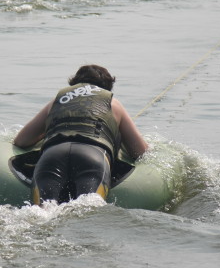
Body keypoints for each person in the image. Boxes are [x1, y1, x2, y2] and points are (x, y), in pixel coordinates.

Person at [13, 64, 148, 205]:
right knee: (88, 212)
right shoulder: (113, 103)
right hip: (93, 157)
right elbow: (140, 151)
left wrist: (50, 131)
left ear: (74, 83)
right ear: (107, 88)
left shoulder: (57, 100)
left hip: (52, 155)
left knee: (42, 212)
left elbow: (21, 141)